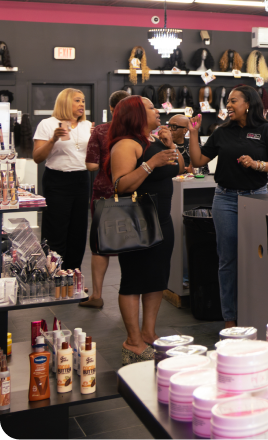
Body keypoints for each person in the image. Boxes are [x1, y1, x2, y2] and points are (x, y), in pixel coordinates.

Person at [187, 86, 268, 328]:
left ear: (248, 104)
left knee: (258, 257)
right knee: (227, 260)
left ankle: (256, 312)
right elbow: (198, 161)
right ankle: (229, 318)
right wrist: (193, 133)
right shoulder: (222, 132)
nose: (229, 105)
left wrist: (257, 164)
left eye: (233, 101)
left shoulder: (266, 130)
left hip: (257, 199)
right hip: (226, 199)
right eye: (228, 102)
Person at [107, 95, 183, 364]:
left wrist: (171, 146)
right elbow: (121, 185)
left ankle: (149, 333)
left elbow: (180, 168)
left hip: (162, 220)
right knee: (134, 280)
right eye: (151, 108)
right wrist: (151, 164)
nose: (158, 111)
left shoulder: (154, 141)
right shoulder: (126, 145)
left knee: (156, 278)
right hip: (136, 222)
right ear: (137, 114)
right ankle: (132, 341)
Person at [33, 88, 93, 270]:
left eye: (83, 101)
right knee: (55, 229)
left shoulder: (87, 125)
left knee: (78, 230)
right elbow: (37, 157)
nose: (82, 104)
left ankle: (73, 274)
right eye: (77, 100)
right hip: (57, 180)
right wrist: (53, 139)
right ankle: (53, 274)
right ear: (65, 102)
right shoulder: (47, 124)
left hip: (82, 179)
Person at [81, 89, 128, 309]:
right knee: (132, 242)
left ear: (111, 108)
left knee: (100, 245)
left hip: (104, 192)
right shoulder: (140, 132)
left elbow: (91, 165)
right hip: (131, 191)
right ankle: (129, 291)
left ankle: (97, 295)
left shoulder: (100, 130)